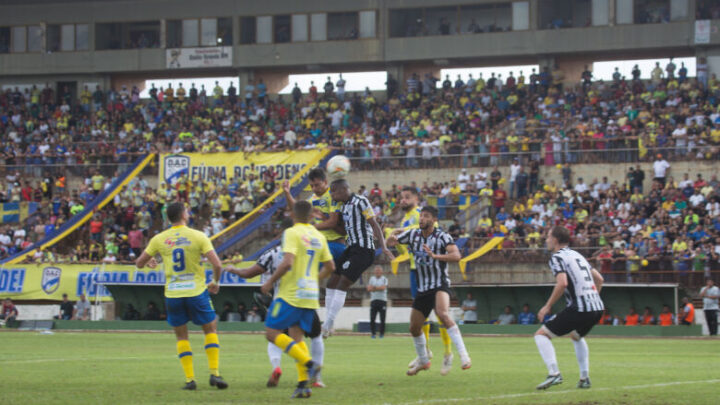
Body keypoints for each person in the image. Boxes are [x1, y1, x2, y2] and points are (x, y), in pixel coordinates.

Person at [135, 202, 228, 391]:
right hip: (196, 291)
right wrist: (215, 282)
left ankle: (189, 379)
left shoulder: (159, 238)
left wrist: (151, 261)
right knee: (210, 330)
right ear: (184, 215)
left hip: (173, 293)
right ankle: (214, 374)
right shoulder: (198, 236)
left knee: (181, 336)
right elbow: (217, 265)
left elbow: (139, 263)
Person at [225, 218, 327, 389]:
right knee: (305, 338)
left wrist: (234, 270)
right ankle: (309, 380)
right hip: (307, 298)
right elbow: (329, 266)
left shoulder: (273, 254)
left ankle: (279, 367)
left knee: (273, 335)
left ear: (282, 233)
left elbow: (250, 273)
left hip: (284, 300)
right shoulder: (311, 247)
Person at [259, 200, 335, 398]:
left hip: (290, 294)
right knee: (297, 337)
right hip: (310, 295)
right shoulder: (319, 236)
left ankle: (310, 364)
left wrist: (269, 282)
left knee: (271, 333)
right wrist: (313, 279)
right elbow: (330, 267)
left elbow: (287, 263)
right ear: (312, 216)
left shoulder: (291, 233)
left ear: (293, 215)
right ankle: (303, 386)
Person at [388, 206, 471, 377]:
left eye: (426, 216)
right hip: (423, 288)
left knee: (443, 313)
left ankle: (464, 355)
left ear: (434, 220)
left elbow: (456, 256)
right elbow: (390, 242)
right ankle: (423, 360)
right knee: (414, 327)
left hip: (440, 283)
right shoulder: (413, 235)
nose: (421, 219)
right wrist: (394, 232)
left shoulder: (442, 236)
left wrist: (436, 256)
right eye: (421, 216)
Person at [534, 226, 604, 391]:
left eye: (548, 237)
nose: (546, 240)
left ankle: (554, 373)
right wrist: (592, 298)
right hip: (597, 306)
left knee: (541, 335)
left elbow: (563, 283)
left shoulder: (556, 257)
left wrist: (547, 306)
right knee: (576, 336)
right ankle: (584, 378)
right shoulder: (578, 255)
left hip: (580, 307)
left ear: (555, 240)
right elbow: (600, 279)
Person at [387, 187, 453, 358]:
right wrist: (395, 239)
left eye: (407, 197)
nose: (403, 201)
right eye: (402, 197)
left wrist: (406, 231)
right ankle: (425, 351)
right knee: (421, 314)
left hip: (431, 270)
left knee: (440, 312)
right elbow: (405, 249)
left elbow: (435, 227)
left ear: (416, 199)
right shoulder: (404, 220)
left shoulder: (420, 214)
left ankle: (447, 351)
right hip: (415, 270)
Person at [323, 179, 393, 338]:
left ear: (342, 190)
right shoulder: (344, 206)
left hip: (364, 250)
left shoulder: (361, 201)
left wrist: (383, 247)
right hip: (351, 248)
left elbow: (374, 224)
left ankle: (326, 325)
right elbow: (341, 229)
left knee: (342, 283)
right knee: (331, 281)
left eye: (333, 191)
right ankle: (329, 323)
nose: (331, 195)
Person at [282, 168, 345, 265]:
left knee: (310, 271)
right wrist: (287, 193)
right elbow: (297, 209)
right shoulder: (313, 199)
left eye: (317, 185)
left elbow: (333, 222)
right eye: (311, 186)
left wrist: (310, 228)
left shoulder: (333, 195)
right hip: (323, 244)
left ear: (325, 182)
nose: (314, 189)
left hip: (337, 244)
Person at [367, 266, 388, 339]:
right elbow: (369, 289)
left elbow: (383, 288)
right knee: (372, 318)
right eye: (376, 271)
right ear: (374, 272)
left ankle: (381, 334)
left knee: (382, 319)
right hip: (373, 300)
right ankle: (373, 334)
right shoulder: (371, 279)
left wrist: (374, 288)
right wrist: (377, 288)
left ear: (381, 272)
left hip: (382, 301)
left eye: (379, 271)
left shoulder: (384, 279)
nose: (377, 272)